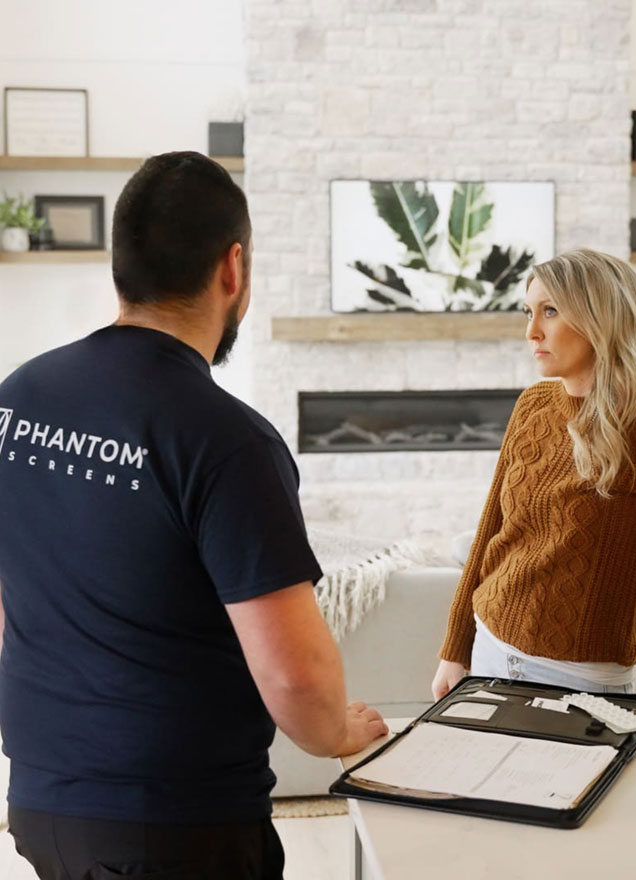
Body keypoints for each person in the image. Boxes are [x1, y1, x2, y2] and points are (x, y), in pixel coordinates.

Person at [0, 151, 387, 880]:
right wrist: (337, 731)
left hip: (42, 802)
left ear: (119, 267)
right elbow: (296, 677)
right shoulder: (227, 440)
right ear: (232, 268)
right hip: (175, 828)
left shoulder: (17, 398)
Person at [432, 248, 636, 702]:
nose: (531, 331)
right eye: (528, 312)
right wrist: (456, 646)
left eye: (550, 311)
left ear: (600, 317)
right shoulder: (532, 405)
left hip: (584, 679)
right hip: (490, 647)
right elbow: (493, 528)